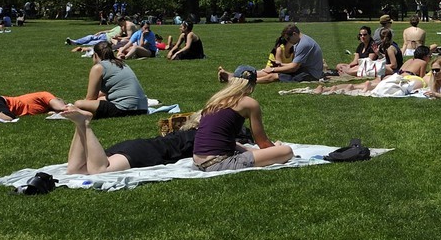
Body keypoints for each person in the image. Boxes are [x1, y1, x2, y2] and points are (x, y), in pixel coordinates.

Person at [190, 70, 295, 171]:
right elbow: (262, 142)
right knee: (286, 151)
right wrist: (274, 149)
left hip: (198, 163)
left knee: (237, 144)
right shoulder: (249, 103)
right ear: (253, 85)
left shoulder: (215, 100)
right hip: (219, 163)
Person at [66, 112, 199, 174]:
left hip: (138, 146)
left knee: (75, 170)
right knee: (99, 170)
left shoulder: (186, 132)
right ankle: (86, 125)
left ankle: (80, 124)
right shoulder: (201, 136)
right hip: (147, 152)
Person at [68, 41, 150, 119]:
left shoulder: (98, 67)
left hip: (125, 109)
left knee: (79, 104)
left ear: (95, 55)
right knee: (101, 99)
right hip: (142, 108)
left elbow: (90, 98)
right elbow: (104, 93)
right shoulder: (121, 63)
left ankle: (83, 115)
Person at [244, 24, 325, 84]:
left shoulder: (304, 44)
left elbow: (293, 68)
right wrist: (281, 64)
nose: (288, 41)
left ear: (294, 34)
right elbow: (295, 65)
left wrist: (272, 69)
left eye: (288, 39)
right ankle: (243, 76)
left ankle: (248, 82)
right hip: (305, 70)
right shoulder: (302, 40)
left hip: (310, 74)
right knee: (271, 72)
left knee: (274, 76)